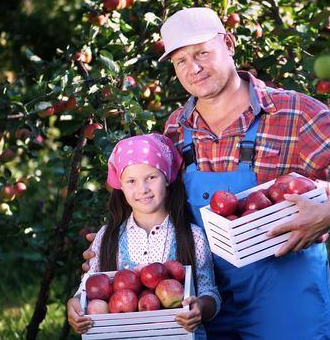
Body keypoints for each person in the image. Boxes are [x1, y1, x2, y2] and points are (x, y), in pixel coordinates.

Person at [84, 7, 330, 339]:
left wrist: (328, 213)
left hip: (285, 303)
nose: (193, 68)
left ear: (228, 43)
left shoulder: (290, 111)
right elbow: (157, 205)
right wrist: (118, 246)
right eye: (181, 61)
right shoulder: (175, 129)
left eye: (202, 53)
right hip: (203, 303)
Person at [67, 134, 221, 338]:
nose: (142, 189)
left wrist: (199, 308)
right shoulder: (106, 237)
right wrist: (75, 302)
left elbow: (210, 293)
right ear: (120, 186)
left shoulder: (192, 236)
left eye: (151, 177)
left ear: (166, 177)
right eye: (131, 181)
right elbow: (88, 289)